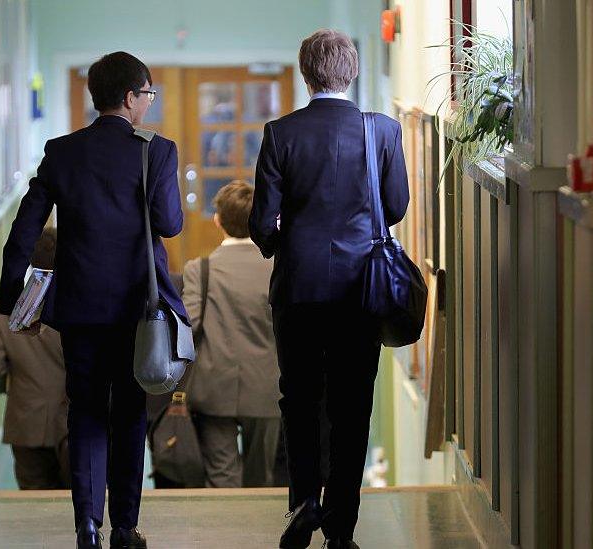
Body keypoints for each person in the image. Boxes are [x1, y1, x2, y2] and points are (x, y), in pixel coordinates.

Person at [0, 51, 185, 549]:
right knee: (128, 412)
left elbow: (25, 227)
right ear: (130, 98)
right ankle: (124, 526)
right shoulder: (157, 151)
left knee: (83, 411)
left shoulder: (62, 151)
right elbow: (170, 224)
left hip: (78, 309)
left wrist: (11, 298)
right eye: (147, 94)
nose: (148, 103)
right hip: (135, 309)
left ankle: (86, 526)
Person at [249, 29, 408, 549]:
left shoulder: (281, 133)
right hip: (361, 290)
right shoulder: (381, 131)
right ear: (353, 71)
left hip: (298, 288)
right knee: (351, 403)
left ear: (305, 73)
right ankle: (341, 529)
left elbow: (260, 223)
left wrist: (284, 244)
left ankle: (303, 502)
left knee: (298, 397)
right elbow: (398, 205)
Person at [182, 180, 281, 489]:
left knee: (221, 478)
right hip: (267, 386)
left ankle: (224, 535)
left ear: (217, 220)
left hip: (214, 387)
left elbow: (190, 325)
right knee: (260, 479)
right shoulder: (278, 268)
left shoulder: (200, 269)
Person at [0, 227, 69, 490]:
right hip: (71, 423)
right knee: (76, 502)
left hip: (25, 421)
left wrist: (6, 386)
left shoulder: (6, 310)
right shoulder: (78, 309)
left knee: (33, 503)